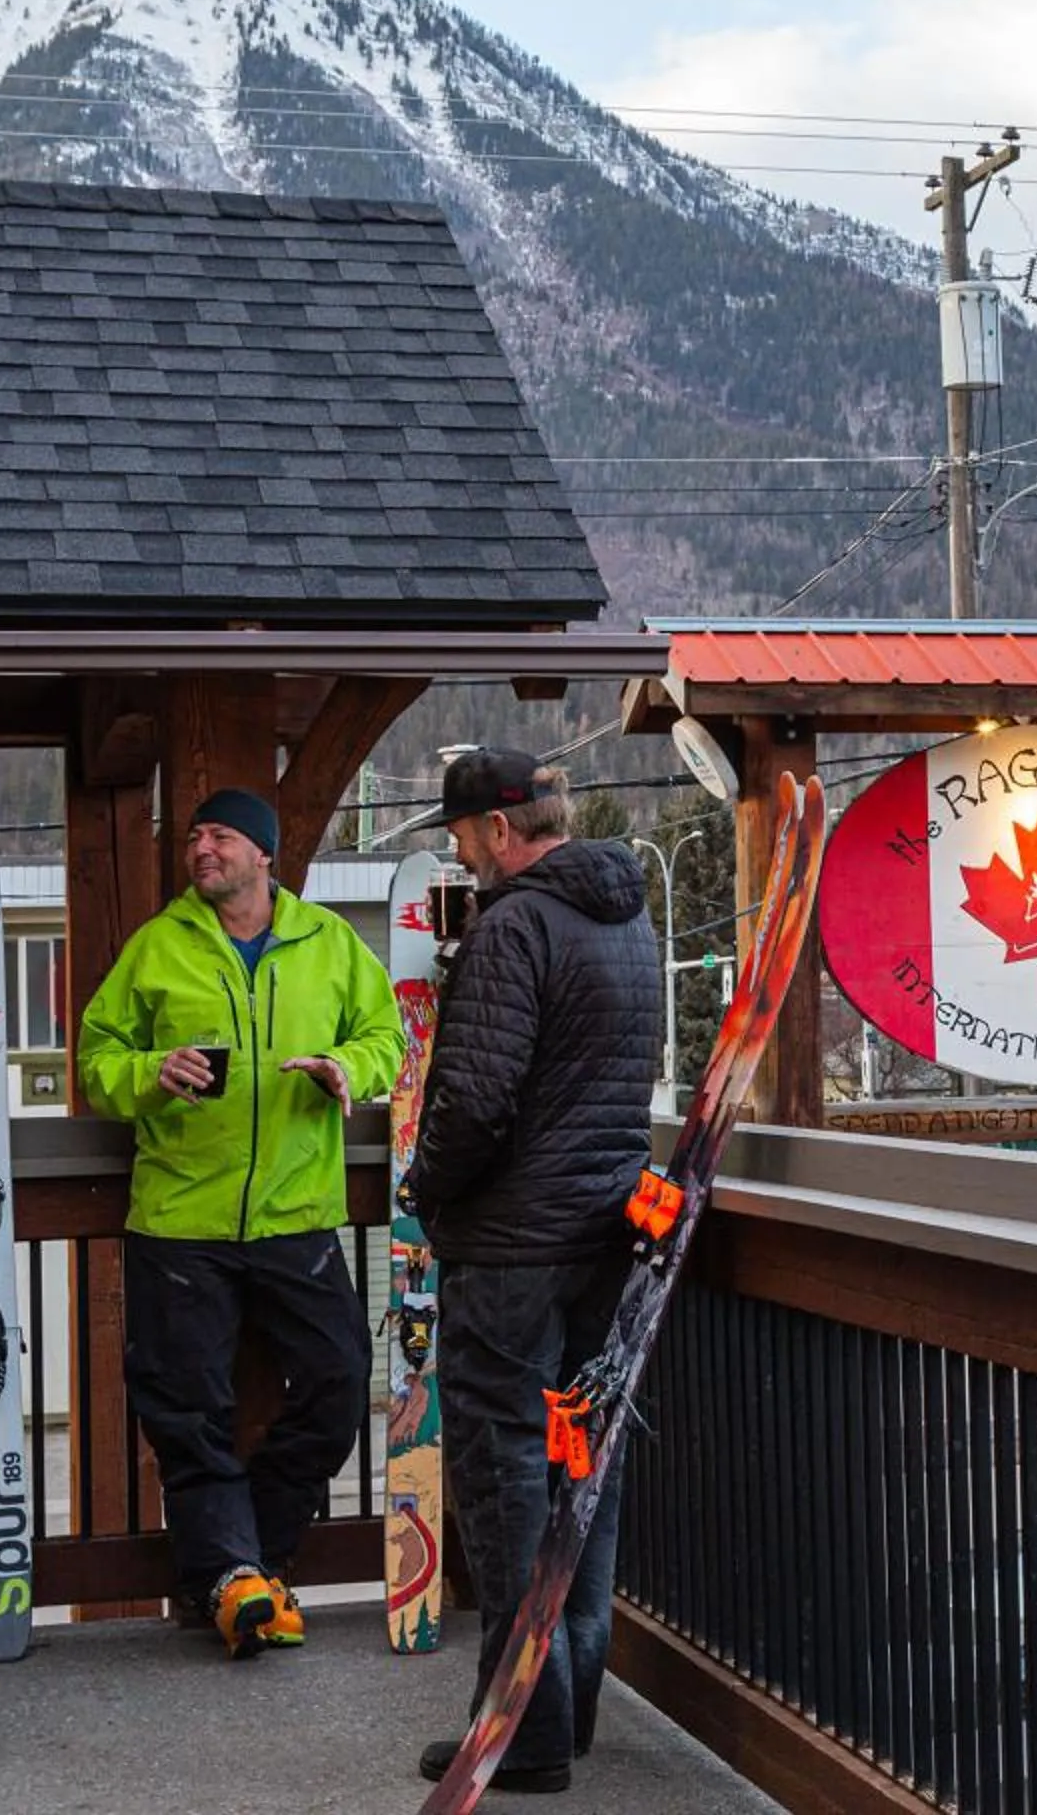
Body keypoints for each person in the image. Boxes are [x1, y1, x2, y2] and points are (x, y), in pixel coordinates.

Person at [77, 788, 404, 1657]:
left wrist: (345, 1067)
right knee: (188, 1411)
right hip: (179, 1219)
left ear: (264, 854)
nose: (202, 849)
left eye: (220, 836)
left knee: (340, 1383)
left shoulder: (328, 941)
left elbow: (387, 1036)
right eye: (194, 837)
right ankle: (233, 1579)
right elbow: (97, 1060)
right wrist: (152, 1071)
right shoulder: (158, 947)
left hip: (298, 1211)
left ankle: (251, 1553)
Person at [403, 748, 662, 1796]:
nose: (460, 851)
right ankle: (572, 1698)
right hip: (606, 1242)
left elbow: (474, 1099)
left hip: (512, 1250)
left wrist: (426, 1187)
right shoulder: (627, 919)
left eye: (463, 833)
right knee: (579, 1466)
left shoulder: (512, 926)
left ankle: (522, 1728)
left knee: (505, 1475)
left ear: (502, 831)